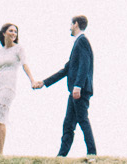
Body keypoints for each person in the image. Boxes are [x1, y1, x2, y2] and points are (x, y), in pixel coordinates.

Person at [32, 14, 95, 156]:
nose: (70, 28)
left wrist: (78, 86)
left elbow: (85, 64)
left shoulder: (82, 41)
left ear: (76, 24)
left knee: (82, 120)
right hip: (74, 91)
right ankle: (61, 156)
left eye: (71, 24)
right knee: (68, 124)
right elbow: (66, 70)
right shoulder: (77, 44)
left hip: (80, 90)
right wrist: (44, 82)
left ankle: (92, 153)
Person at [0, 21, 38, 155]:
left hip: (9, 85)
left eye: (15, 31)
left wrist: (32, 80)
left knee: (1, 117)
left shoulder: (19, 49)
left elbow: (25, 64)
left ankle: (1, 154)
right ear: (4, 33)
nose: (13, 33)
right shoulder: (0, 51)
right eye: (11, 31)